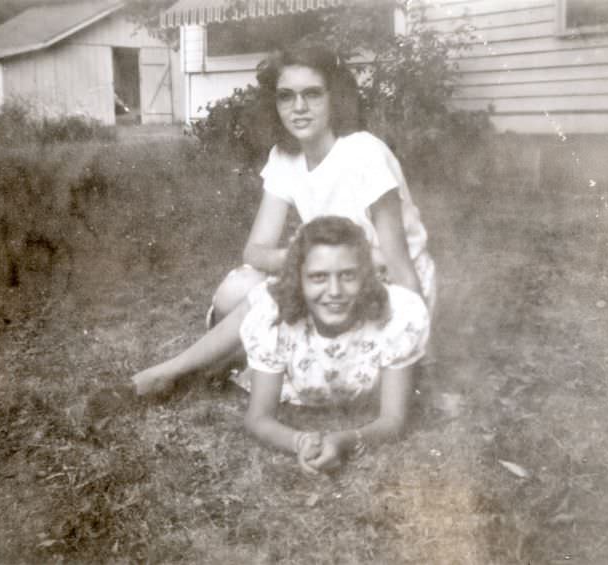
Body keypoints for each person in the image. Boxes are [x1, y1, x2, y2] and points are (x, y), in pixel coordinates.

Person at [131, 43, 435, 396]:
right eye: (286, 97)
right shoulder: (285, 157)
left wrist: (421, 356)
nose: (299, 108)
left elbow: (400, 268)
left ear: (335, 98)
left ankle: (169, 372)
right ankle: (233, 357)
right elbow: (256, 251)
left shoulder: (364, 153)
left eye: (312, 95)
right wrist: (298, 258)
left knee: (268, 298)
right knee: (236, 290)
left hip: (388, 286)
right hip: (332, 275)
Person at [238, 216, 430, 474]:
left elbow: (393, 419)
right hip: (296, 385)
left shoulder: (397, 317)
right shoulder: (275, 319)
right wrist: (300, 441)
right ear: (299, 279)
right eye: (318, 277)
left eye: (348, 275)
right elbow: (258, 417)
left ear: (366, 277)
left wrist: (346, 440)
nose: (335, 291)